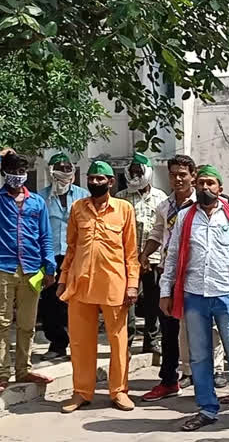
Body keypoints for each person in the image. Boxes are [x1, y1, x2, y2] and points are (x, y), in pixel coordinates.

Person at [159, 164, 229, 432]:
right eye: (202, 183)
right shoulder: (185, 217)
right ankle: (207, 408)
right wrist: (165, 290)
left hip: (227, 293)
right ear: (195, 186)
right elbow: (172, 255)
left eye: (211, 183)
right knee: (199, 356)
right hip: (194, 294)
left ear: (220, 188)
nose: (206, 188)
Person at [57, 161, 140, 413]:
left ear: (111, 182)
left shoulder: (124, 209)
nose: (95, 182)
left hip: (114, 284)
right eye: (91, 178)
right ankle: (81, 391)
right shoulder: (77, 208)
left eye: (100, 178)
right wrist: (62, 280)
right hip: (80, 284)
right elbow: (71, 248)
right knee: (81, 342)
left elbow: (131, 252)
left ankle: (119, 392)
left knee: (117, 341)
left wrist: (133, 285)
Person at [140, 156, 224, 402]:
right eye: (173, 174)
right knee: (168, 328)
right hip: (168, 272)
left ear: (193, 176)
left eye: (183, 174)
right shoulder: (165, 206)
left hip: (198, 275)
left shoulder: (204, 203)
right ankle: (169, 379)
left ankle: (207, 375)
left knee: (200, 329)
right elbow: (158, 233)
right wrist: (145, 254)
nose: (177, 179)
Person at [0, 153, 57, 394]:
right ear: (4, 173)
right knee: (1, 323)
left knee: (27, 324)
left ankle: (23, 369)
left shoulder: (37, 202)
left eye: (22, 171)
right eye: (13, 170)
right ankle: (2, 373)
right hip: (3, 268)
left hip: (32, 269)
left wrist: (50, 266)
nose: (18, 175)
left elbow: (45, 235)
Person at [38, 153, 89, 360]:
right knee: (51, 302)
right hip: (51, 256)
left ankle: (80, 344)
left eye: (68, 168)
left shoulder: (83, 196)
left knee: (77, 301)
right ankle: (57, 344)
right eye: (60, 168)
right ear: (51, 171)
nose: (64, 172)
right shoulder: (41, 197)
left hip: (76, 256)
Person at [116, 153, 167, 355]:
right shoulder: (121, 197)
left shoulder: (161, 197)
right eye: (132, 172)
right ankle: (126, 341)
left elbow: (163, 229)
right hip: (127, 259)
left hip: (153, 258)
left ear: (148, 173)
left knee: (153, 302)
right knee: (127, 301)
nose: (135, 175)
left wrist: (151, 255)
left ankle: (151, 340)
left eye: (139, 172)